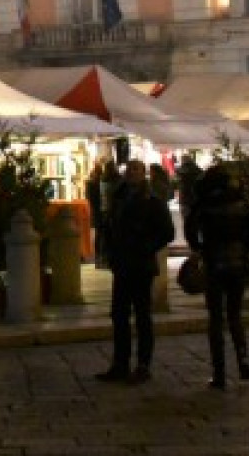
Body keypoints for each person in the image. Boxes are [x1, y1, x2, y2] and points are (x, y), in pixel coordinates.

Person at [94, 160, 175, 383]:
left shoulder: (152, 201)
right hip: (121, 264)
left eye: (136, 169)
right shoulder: (117, 197)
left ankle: (143, 365)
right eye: (129, 169)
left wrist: (146, 246)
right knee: (119, 315)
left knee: (142, 315)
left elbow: (167, 232)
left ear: (143, 174)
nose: (131, 173)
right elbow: (110, 227)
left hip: (141, 264)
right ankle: (120, 363)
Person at [185, 164, 249, 389]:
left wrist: (200, 248)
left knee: (216, 318)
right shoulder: (242, 204)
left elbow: (191, 232)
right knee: (235, 314)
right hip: (238, 262)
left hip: (214, 262)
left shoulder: (204, 204)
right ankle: (243, 359)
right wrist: (242, 248)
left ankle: (219, 373)